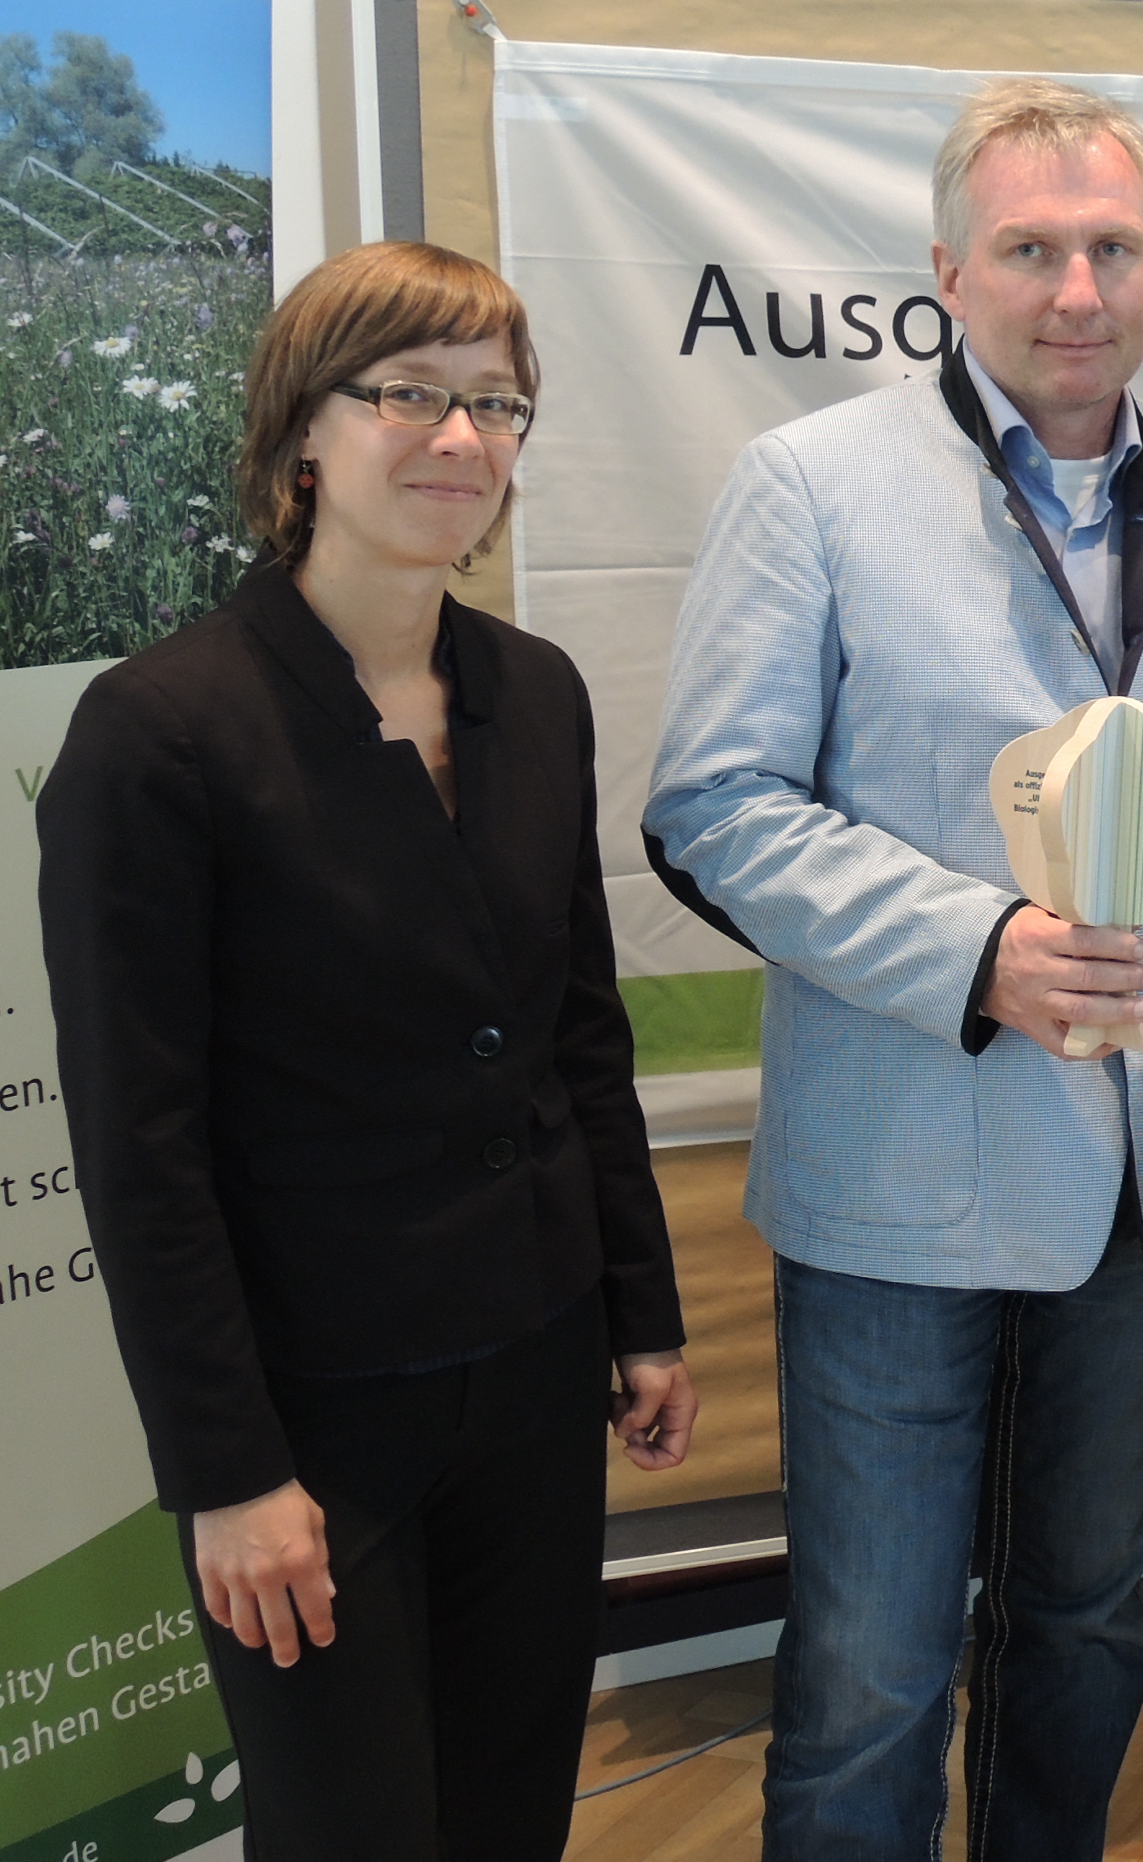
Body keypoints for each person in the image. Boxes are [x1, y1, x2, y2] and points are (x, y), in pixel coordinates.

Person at [645, 78, 1143, 1856]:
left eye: (1110, 248)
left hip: (1137, 1194)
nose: (1074, 290)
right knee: (871, 1663)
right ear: (947, 268)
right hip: (897, 1176)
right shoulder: (812, 484)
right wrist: (975, 949)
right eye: (1028, 250)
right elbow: (713, 805)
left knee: (1084, 1625)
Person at [40, 242, 692, 1861]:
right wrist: (227, 1473)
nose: (458, 439)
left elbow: (580, 1038)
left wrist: (642, 1311)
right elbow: (142, 1148)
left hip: (536, 1368)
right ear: (299, 437)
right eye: (407, 393)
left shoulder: (533, 692)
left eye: (495, 404)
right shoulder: (162, 731)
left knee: (510, 1805)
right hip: (314, 1414)